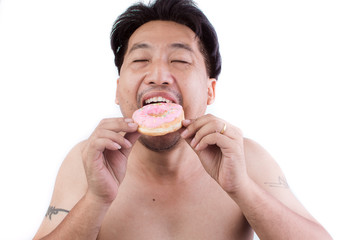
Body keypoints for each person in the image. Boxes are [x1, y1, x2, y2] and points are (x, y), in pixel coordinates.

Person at [33, 0, 332, 239]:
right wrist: (95, 201)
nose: (159, 75)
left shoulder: (246, 159)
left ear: (209, 90)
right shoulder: (87, 161)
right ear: (118, 88)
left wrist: (242, 189)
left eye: (180, 61)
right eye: (140, 61)